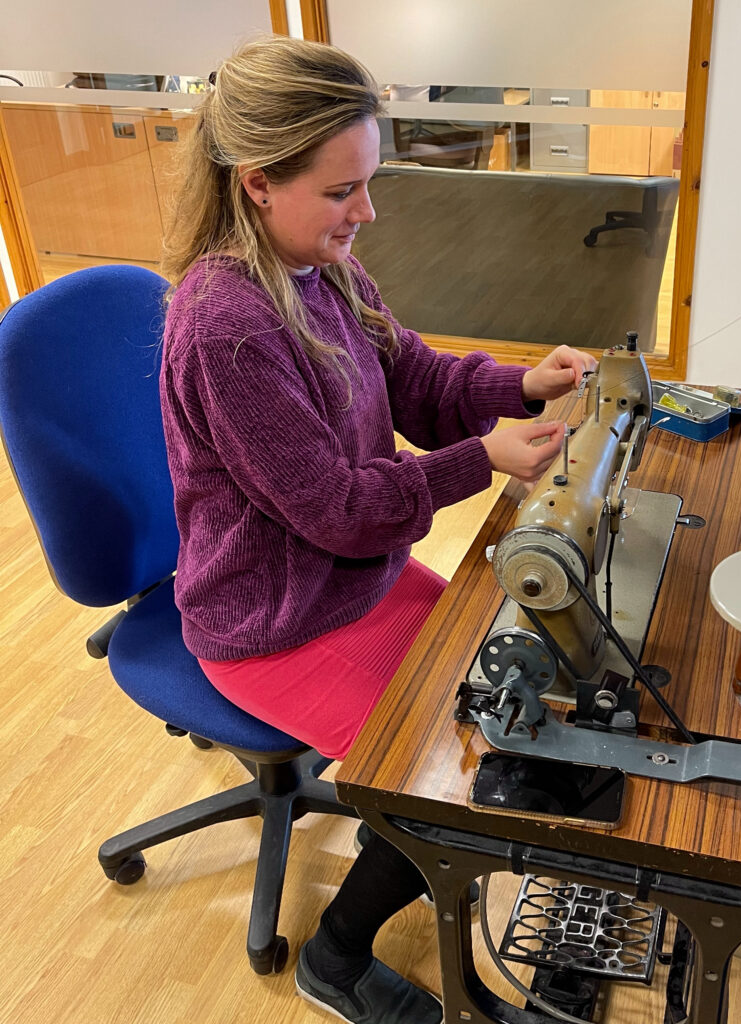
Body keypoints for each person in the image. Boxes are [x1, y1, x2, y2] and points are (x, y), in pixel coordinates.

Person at [159, 35, 596, 1024]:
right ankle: (337, 958)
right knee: (461, 776)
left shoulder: (326, 270)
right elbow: (339, 508)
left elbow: (421, 380)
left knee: (510, 703)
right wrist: (478, 458)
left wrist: (517, 385)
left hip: (351, 580)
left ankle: (412, 836)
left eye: (369, 180)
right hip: (276, 620)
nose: (368, 211)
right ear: (260, 183)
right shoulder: (226, 325)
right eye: (343, 190)